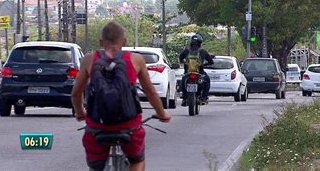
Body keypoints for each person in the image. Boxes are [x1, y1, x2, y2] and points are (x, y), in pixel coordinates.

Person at [71, 22, 171, 171]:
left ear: (101, 42)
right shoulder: (136, 60)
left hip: (97, 127)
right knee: (137, 161)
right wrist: (162, 113)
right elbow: (150, 92)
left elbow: (76, 93)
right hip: (129, 127)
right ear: (124, 41)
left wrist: (80, 112)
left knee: (95, 167)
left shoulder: (89, 59)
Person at [179, 34, 214, 106]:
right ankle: (204, 97)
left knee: (183, 81)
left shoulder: (186, 50)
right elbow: (211, 62)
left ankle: (184, 98)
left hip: (188, 73)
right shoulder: (203, 51)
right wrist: (203, 65)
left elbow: (180, 58)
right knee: (207, 81)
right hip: (200, 73)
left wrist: (185, 63)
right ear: (200, 42)